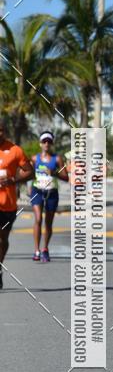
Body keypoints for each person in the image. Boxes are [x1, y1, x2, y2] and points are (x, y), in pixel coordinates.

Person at [0, 118, 33, 289]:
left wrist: (12, 180)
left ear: (5, 131)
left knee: (2, 239)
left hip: (8, 204)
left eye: (1, 129)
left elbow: (30, 172)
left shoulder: (15, 150)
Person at [29, 131, 68, 262]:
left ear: (51, 144)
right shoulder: (34, 159)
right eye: (44, 141)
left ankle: (45, 248)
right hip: (37, 191)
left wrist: (54, 172)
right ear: (40, 143)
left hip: (52, 193)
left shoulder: (57, 159)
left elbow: (66, 177)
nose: (46, 144)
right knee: (38, 219)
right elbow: (28, 173)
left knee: (48, 223)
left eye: (49, 142)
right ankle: (36, 250)